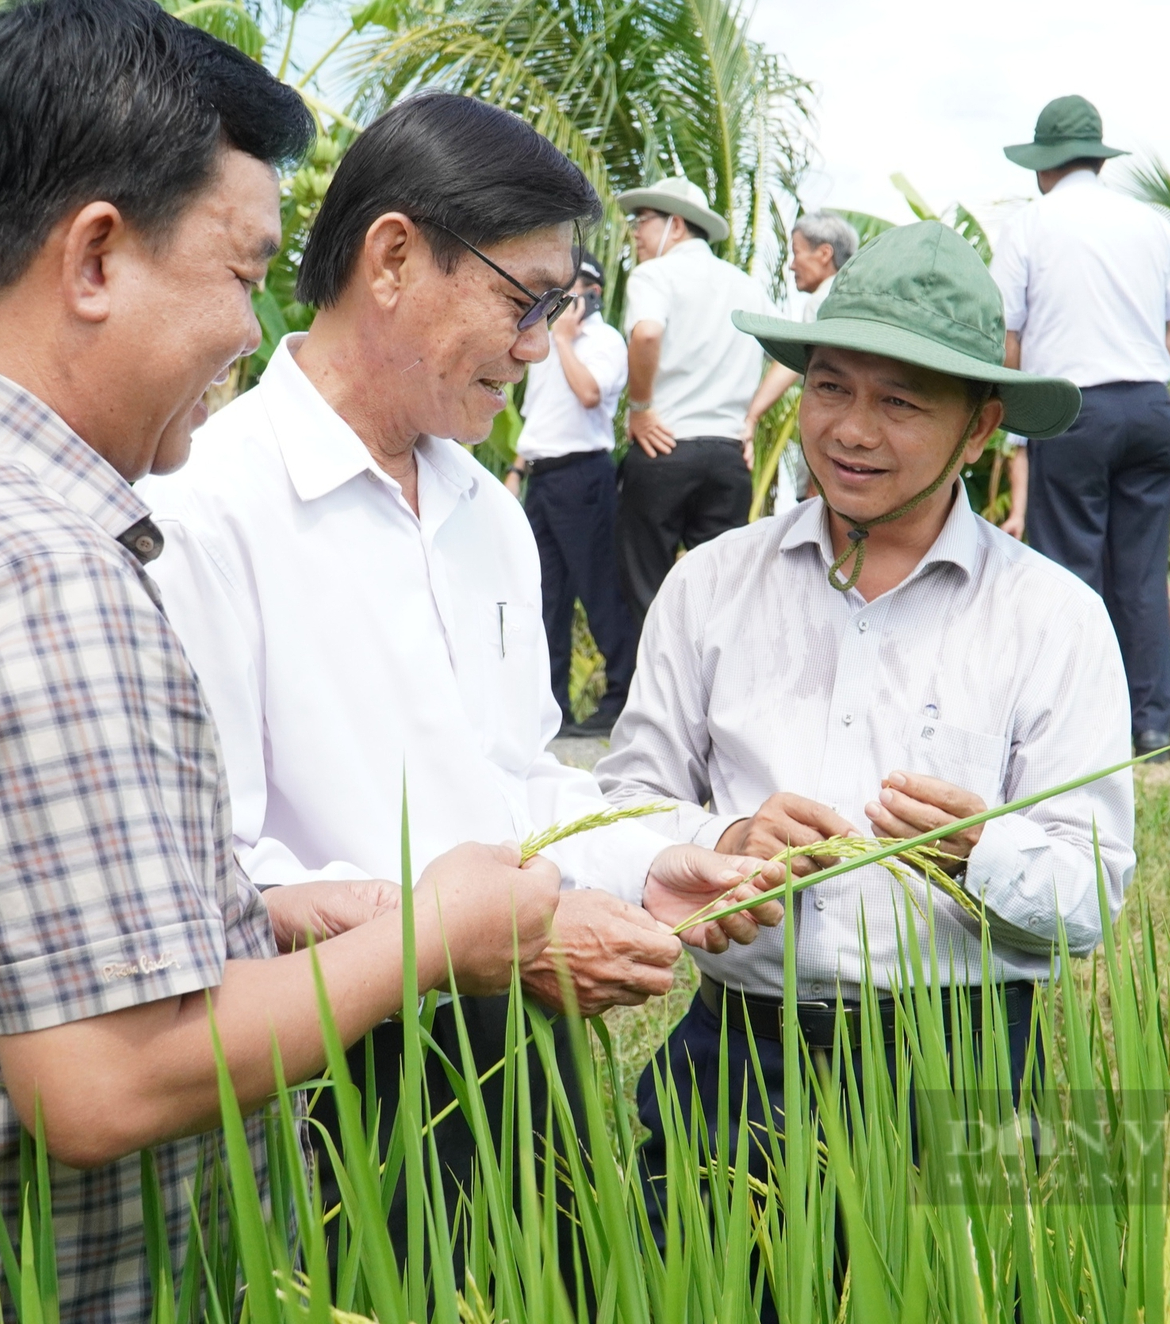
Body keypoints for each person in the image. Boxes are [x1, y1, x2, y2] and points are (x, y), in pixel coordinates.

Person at [0, 7, 564, 1322]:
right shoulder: (39, 578)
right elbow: (106, 1083)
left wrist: (267, 916)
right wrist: (440, 930)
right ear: (96, 256)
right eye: (239, 272)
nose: (252, 326)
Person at [137, 94, 783, 1244]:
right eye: (523, 301)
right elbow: (212, 874)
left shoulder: (487, 511)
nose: (539, 346)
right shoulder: (203, 508)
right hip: (304, 1070)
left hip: (505, 1053)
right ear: (392, 257)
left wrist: (662, 858)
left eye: (562, 311)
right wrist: (481, 933)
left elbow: (514, 781)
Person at [595, 222, 1134, 1214]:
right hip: (736, 1060)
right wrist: (724, 839)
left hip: (961, 1067)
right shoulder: (710, 585)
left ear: (979, 428)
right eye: (831, 387)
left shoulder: (1051, 618)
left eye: (899, 402)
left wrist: (980, 849)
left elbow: (1089, 892)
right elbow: (622, 805)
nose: (849, 428)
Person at [993, 94, 1170, 758]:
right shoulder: (1150, 225)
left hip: (1071, 407)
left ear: (1044, 166)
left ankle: (1082, 724)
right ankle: (1151, 723)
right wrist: (1138, 373)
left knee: (1069, 570)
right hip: (1148, 405)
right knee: (1140, 572)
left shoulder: (1032, 224)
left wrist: (1016, 420)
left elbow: (1009, 340)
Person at [614, 175, 775, 625]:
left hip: (664, 446)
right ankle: (715, 694)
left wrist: (641, 409)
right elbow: (792, 361)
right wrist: (750, 417)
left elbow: (646, 332)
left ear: (677, 226)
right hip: (727, 458)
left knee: (646, 591)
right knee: (722, 596)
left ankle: (652, 693)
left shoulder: (654, 275)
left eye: (643, 221)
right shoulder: (746, 285)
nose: (636, 233)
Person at [503, 247, 637, 736]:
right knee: (546, 596)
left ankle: (620, 700)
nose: (559, 298)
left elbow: (589, 394)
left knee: (598, 590)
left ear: (592, 294)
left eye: (570, 289)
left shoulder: (604, 341)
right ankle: (552, 708)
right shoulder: (544, 341)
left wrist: (563, 340)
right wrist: (517, 469)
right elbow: (540, 415)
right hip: (542, 474)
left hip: (584, 474)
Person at [742, 209, 862, 514]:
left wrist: (751, 417)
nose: (792, 264)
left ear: (824, 253)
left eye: (796, 252)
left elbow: (809, 375)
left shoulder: (824, 301)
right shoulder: (854, 299)